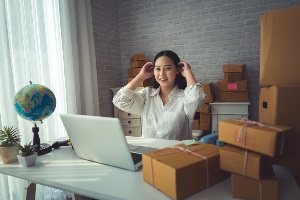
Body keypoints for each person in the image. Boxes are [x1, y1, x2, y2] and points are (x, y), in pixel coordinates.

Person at [113, 50, 206, 140]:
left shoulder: (185, 97)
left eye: (167, 68)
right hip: (149, 153)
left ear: (177, 70)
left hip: (175, 154)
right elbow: (120, 101)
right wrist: (141, 76)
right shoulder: (147, 95)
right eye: (157, 69)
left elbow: (197, 99)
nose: (162, 74)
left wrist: (188, 72)